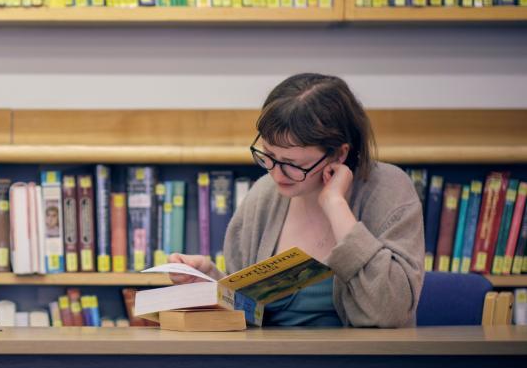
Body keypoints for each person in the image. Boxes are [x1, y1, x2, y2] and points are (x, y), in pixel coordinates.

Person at [169, 73, 424, 327]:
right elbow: (249, 313)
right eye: (268, 155)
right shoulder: (264, 195)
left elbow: (390, 312)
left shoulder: (388, 191)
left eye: (292, 164)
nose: (276, 173)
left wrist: (336, 205)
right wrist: (211, 282)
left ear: (338, 154)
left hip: (360, 364)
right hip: (266, 362)